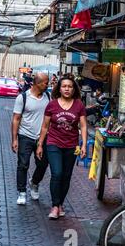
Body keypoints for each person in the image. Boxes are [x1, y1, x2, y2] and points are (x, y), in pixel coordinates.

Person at [36, 75, 87, 219]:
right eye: (64, 86)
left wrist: (83, 144)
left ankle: (60, 204)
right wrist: (40, 144)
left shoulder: (79, 105)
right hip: (53, 143)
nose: (67, 89)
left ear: (73, 89)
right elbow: (45, 126)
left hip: (71, 145)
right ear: (59, 88)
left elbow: (83, 126)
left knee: (66, 176)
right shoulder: (52, 105)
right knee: (57, 173)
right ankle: (54, 206)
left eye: (70, 86)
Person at [12, 73, 50, 205]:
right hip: (25, 136)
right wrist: (15, 139)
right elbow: (16, 119)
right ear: (37, 83)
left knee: (43, 164)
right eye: (46, 83)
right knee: (23, 164)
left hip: (42, 137)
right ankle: (22, 192)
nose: (48, 85)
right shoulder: (22, 98)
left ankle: (34, 182)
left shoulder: (48, 97)